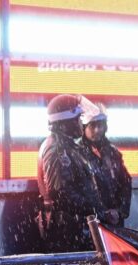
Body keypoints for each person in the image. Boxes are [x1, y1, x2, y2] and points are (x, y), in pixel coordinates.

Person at [36, 95, 108, 252]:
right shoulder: (57, 149)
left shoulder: (66, 146)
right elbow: (60, 193)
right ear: (64, 123)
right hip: (66, 231)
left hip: (72, 228)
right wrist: (93, 209)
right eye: (77, 119)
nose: (81, 123)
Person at [78, 101, 131, 226]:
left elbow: (126, 183)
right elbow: (77, 191)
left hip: (114, 221)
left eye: (100, 125)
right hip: (89, 222)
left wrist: (119, 212)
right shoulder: (76, 153)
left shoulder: (113, 153)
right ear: (84, 127)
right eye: (92, 126)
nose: (97, 130)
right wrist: (100, 213)